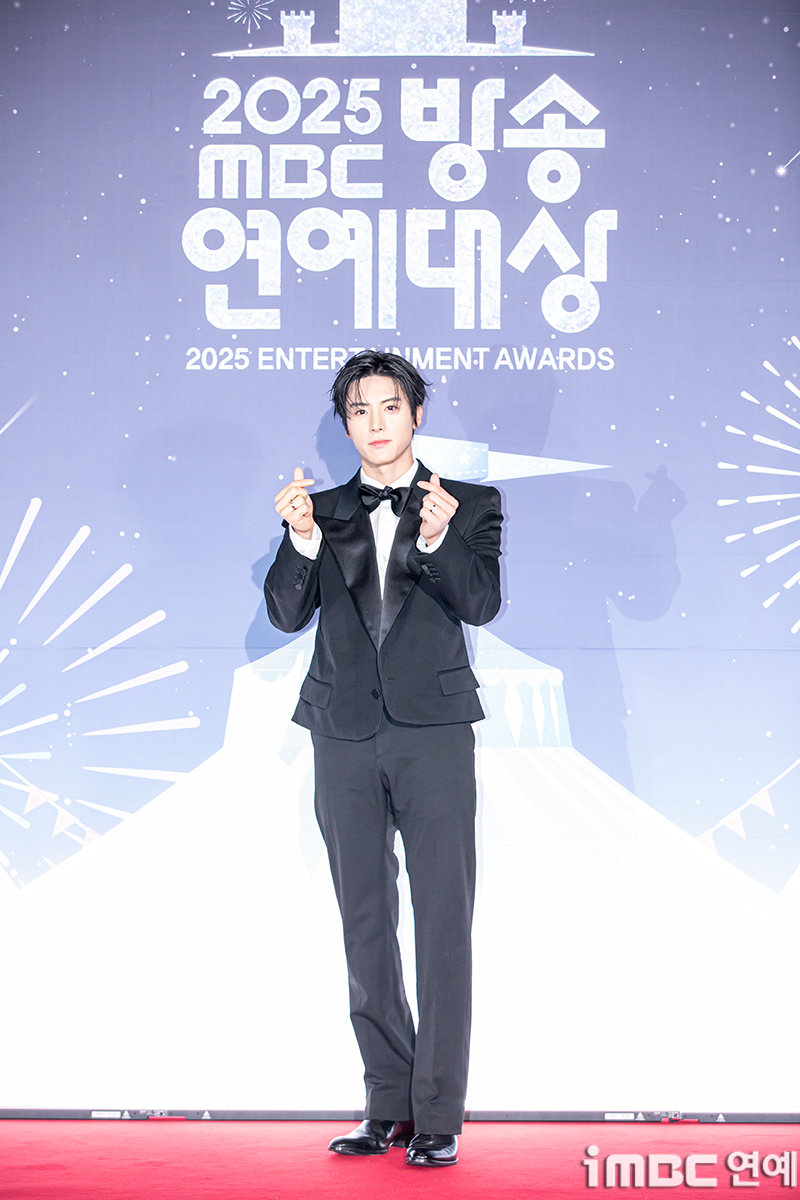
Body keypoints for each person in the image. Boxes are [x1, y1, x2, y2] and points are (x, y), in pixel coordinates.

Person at [265, 351, 503, 1168]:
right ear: (345, 423)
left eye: (390, 406)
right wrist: (301, 539)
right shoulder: (321, 510)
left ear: (416, 415)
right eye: (359, 410)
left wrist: (436, 539)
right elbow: (284, 613)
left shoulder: (468, 503)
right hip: (341, 732)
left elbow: (482, 603)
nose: (375, 422)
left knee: (443, 922)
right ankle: (387, 1104)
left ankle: (438, 1112)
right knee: (363, 920)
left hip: (434, 732)